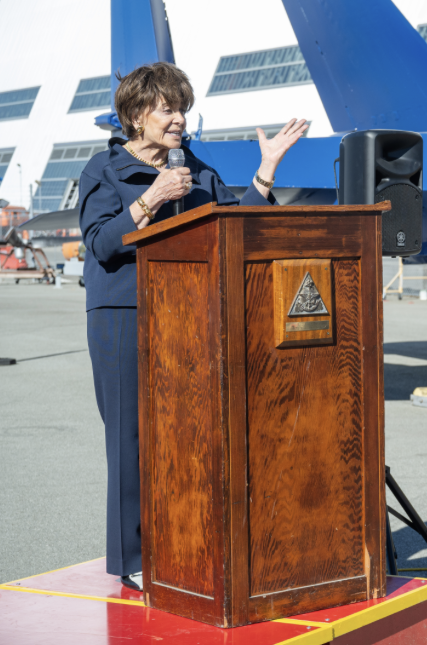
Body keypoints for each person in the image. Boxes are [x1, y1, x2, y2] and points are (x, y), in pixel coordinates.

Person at [79, 62, 307, 590]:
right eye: (168, 108)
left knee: (191, 435)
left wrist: (265, 171)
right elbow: (100, 244)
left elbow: (238, 226)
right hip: (123, 318)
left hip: (189, 319)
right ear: (137, 115)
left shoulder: (197, 170)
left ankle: (186, 541)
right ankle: (132, 559)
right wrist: (152, 197)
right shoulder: (105, 170)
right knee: (131, 439)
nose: (179, 118)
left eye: (183, 107)